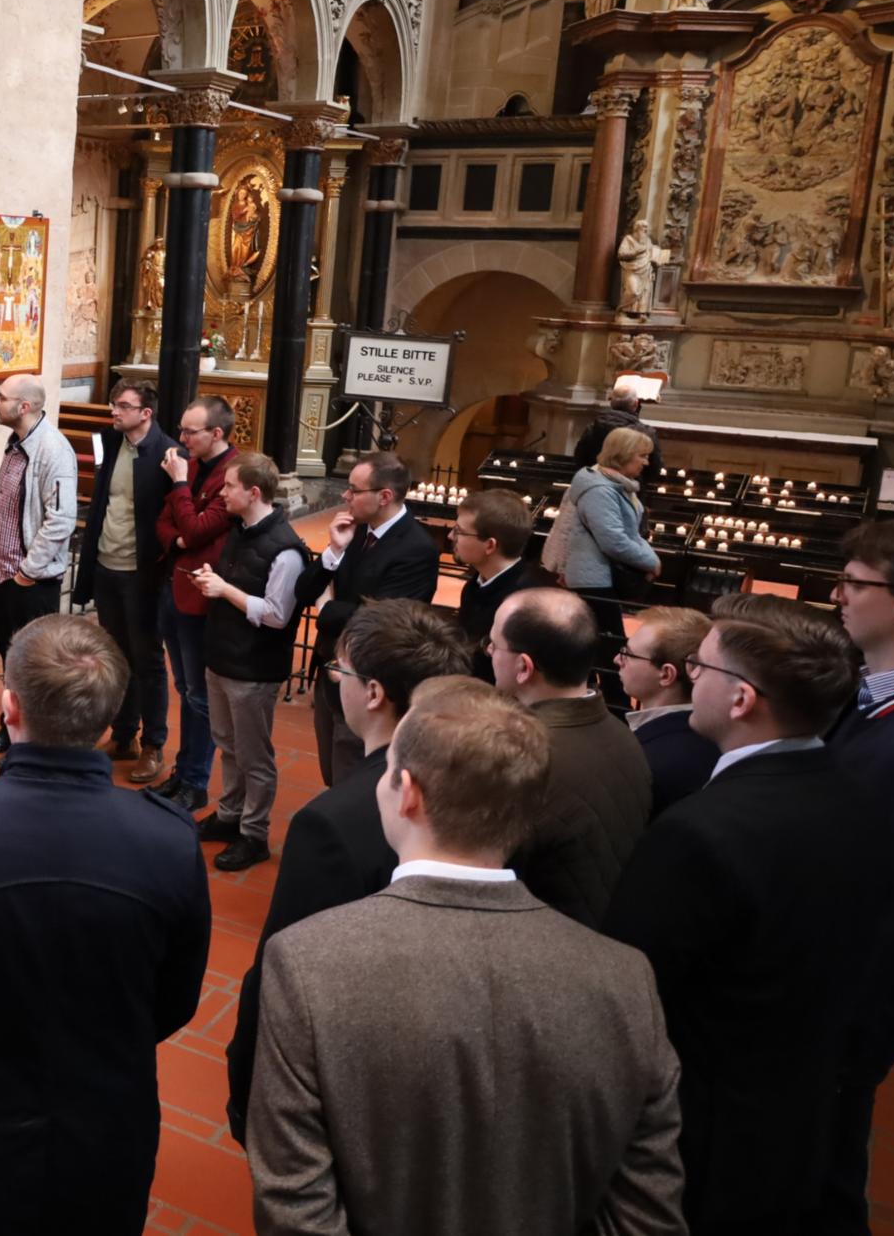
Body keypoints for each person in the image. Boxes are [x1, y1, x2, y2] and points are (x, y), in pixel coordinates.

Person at [248, 676, 686, 1236]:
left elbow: (295, 1207)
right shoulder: (626, 980)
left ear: (407, 793)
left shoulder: (308, 962)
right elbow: (646, 1213)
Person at [0, 614, 209, 1235]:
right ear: (109, 712)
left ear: (10, 707)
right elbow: (174, 999)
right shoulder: (168, 841)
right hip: (109, 1119)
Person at [606, 594, 881, 1235]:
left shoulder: (701, 832)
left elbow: (631, 987)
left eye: (702, 668)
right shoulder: (856, 797)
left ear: (742, 700)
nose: (691, 677)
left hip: (704, 1127)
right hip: (798, 1110)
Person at [222, 599, 471, 1143]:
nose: (335, 682)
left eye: (339, 671)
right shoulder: (474, 780)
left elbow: (285, 969)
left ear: (374, 693)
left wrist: (246, 1088)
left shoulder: (331, 824)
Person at [816, 519, 894, 1233]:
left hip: (853, 999)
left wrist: (858, 1013)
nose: (838, 596)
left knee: (826, 1170)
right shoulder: (868, 694)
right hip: (840, 984)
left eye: (855, 584)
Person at [489, 586, 651, 928]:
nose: (488, 651)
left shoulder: (517, 759)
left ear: (523, 667)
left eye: (494, 644)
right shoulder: (625, 734)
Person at [189, 452, 309, 870]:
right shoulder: (240, 530)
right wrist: (217, 585)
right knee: (227, 745)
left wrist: (225, 591)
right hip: (222, 657)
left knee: (254, 756)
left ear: (253, 492)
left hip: (254, 667)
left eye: (229, 487)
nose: (222, 494)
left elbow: (277, 615)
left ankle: (254, 834)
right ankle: (229, 815)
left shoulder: (288, 551)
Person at [295, 450, 441, 786]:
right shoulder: (356, 530)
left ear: (384, 496)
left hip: (367, 681)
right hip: (330, 669)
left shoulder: (417, 548)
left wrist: (327, 609)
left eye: (354, 490)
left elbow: (381, 619)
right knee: (330, 771)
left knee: (352, 777)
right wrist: (332, 552)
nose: (345, 496)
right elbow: (303, 592)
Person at [70, 380, 175, 783]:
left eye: (124, 406)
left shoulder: (167, 454)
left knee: (148, 661)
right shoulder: (111, 443)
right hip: (107, 566)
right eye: (114, 404)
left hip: (142, 573)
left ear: (145, 413)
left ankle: (153, 745)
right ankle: (124, 735)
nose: (114, 411)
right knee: (116, 656)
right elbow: (103, 505)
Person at [0, 374, 78, 756]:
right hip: (4, 571)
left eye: (1, 398)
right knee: (9, 653)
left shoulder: (53, 450)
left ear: (25, 406)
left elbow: (61, 519)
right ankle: (12, 729)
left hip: (29, 579)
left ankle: (35, 743)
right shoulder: (16, 442)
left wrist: (27, 572)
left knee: (33, 662)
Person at [149, 394, 240, 809]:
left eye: (190, 431)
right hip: (173, 586)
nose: (181, 437)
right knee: (184, 688)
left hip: (201, 598)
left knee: (200, 697)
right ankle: (182, 773)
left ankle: (196, 782)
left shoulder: (233, 474)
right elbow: (167, 523)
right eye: (182, 429)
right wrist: (183, 535)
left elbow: (199, 528)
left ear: (216, 433)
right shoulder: (195, 465)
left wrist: (181, 485)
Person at [548, 425, 661, 709]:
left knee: (596, 643)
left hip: (597, 574)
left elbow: (628, 533)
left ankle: (590, 698)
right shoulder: (600, 489)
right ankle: (617, 708)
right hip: (592, 578)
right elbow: (613, 540)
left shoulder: (614, 484)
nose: (646, 462)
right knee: (611, 645)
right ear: (622, 456)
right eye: (642, 456)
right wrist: (651, 561)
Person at [617, 606, 719, 816]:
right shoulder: (716, 737)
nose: (617, 660)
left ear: (666, 675)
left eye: (628, 653)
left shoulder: (644, 760)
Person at [452, 487, 550, 680]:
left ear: (490, 545)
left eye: (459, 532)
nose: (450, 537)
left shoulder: (526, 601)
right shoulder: (475, 584)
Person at [572, 383, 664, 474]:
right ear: (636, 404)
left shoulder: (593, 428)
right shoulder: (645, 433)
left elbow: (580, 459)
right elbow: (654, 468)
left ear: (611, 403)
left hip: (594, 477)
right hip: (630, 486)